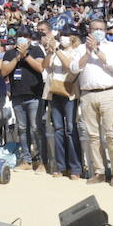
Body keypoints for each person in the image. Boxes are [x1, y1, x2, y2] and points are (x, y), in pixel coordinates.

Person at [74, 19, 113, 185]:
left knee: (111, 134)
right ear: (89, 30)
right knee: (93, 136)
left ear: (106, 30)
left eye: (101, 29)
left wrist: (96, 50)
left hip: (108, 92)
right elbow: (74, 68)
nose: (97, 31)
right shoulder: (80, 48)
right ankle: (99, 171)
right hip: (87, 94)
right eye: (94, 29)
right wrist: (87, 53)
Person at [0, 26, 45, 171]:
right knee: (22, 129)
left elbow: (41, 67)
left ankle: (41, 160)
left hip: (34, 95)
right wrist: (18, 57)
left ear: (30, 38)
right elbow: (3, 72)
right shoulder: (10, 53)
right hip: (17, 96)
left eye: (26, 36)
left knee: (36, 128)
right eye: (20, 35)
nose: (23, 38)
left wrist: (26, 56)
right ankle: (26, 160)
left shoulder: (36, 50)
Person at [43, 28, 83, 179]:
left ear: (73, 37)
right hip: (55, 91)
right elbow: (45, 66)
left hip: (69, 92)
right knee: (58, 129)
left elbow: (70, 66)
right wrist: (49, 51)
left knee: (71, 129)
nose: (63, 38)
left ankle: (75, 168)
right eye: (62, 36)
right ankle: (61, 166)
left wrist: (58, 49)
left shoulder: (77, 51)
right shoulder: (55, 50)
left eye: (66, 35)